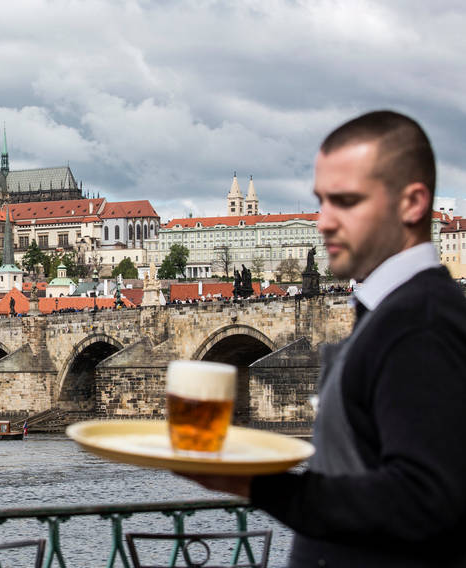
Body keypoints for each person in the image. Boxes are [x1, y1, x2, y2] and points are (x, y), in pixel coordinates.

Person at [182, 111, 466, 566]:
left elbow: (425, 502)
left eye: (346, 201)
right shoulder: (393, 313)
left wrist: (257, 485)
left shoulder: (421, 324)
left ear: (412, 204)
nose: (325, 222)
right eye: (322, 202)